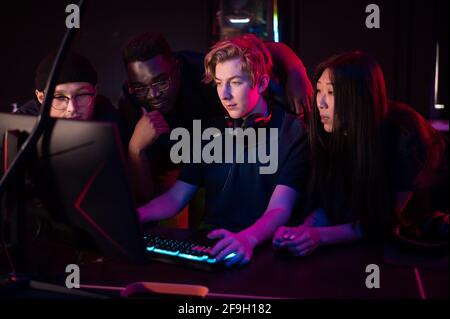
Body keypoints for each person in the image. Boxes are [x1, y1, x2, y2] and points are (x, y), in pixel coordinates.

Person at [137, 34, 309, 267]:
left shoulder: (293, 132)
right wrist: (134, 216)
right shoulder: (210, 132)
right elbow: (175, 198)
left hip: (264, 250)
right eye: (219, 83)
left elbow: (280, 208)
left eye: (235, 82)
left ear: (261, 83)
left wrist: (248, 238)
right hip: (214, 246)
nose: (224, 94)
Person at [273, 51, 448, 256]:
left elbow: (384, 220)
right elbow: (331, 202)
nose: (320, 102)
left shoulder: (406, 137)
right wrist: (305, 229)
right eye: (319, 90)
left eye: (331, 92)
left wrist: (319, 236)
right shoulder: (328, 130)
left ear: (358, 97)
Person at [16, 51, 121, 125]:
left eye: (81, 95)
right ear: (41, 98)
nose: (72, 108)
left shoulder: (113, 121)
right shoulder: (18, 126)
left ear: (95, 92)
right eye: (60, 97)